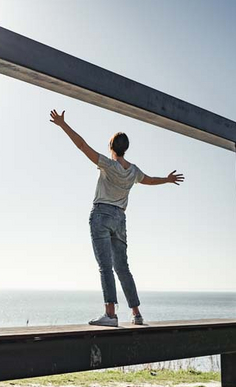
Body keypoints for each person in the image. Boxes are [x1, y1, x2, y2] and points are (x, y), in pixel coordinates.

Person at [50, 109, 184, 327]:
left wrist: (63, 125)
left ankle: (110, 314)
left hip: (102, 215)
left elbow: (82, 146)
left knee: (105, 266)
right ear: (125, 148)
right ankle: (136, 314)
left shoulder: (108, 164)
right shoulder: (133, 171)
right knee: (122, 268)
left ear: (111, 147)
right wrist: (167, 180)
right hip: (120, 220)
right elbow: (149, 180)